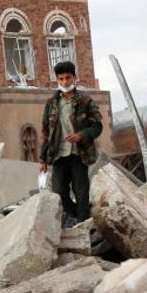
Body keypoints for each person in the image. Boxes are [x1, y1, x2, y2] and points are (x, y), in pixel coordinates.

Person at [39, 61, 104, 228]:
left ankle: (84, 226)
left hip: (79, 154)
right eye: (61, 79)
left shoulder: (85, 101)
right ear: (57, 80)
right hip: (58, 155)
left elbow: (97, 127)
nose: (65, 82)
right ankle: (79, 214)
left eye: (68, 78)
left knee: (81, 193)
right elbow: (45, 132)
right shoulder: (51, 103)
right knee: (59, 193)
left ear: (74, 77)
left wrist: (81, 135)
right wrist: (43, 159)